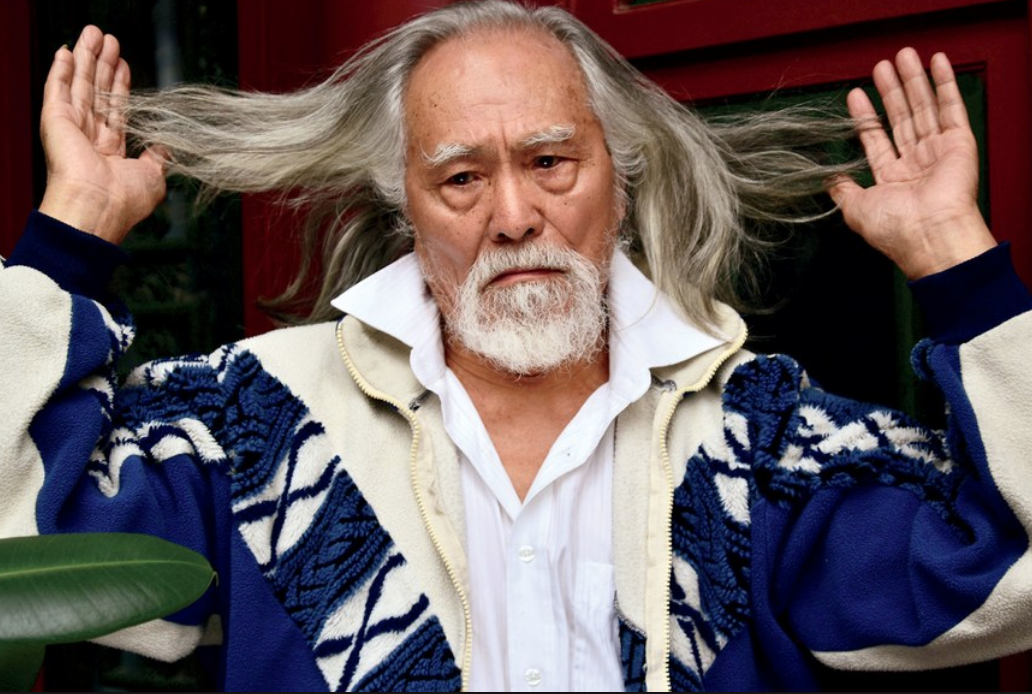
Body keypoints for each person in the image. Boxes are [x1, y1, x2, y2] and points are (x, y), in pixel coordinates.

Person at [3, 0, 1032, 691]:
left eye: (551, 162)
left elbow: (1008, 571)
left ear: (619, 179)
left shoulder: (758, 441)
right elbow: (21, 536)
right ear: (407, 207)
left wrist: (957, 259)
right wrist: (72, 231)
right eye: (461, 178)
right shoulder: (260, 424)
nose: (513, 216)